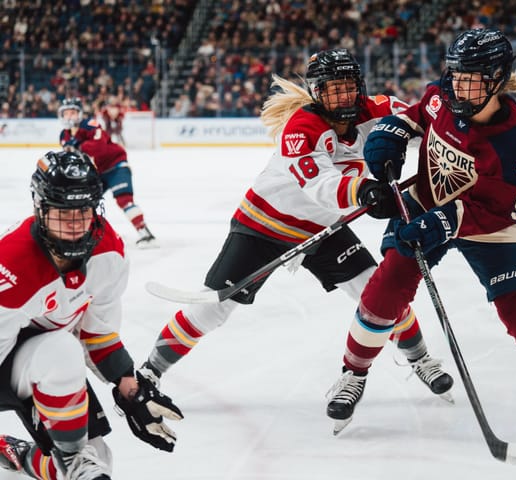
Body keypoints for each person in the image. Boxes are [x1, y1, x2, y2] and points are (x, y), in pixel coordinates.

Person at [140, 49, 453, 430]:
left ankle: (419, 358)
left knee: (378, 294)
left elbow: (428, 121)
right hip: (264, 226)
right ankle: (148, 373)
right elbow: (321, 186)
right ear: (316, 93)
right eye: (331, 90)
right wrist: (365, 191)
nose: (341, 98)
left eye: (348, 88)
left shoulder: (381, 110)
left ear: (360, 87)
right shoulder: (301, 129)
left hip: (323, 231)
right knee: (213, 310)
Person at [326, 28, 516, 434]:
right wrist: (394, 131)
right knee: (387, 285)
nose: (459, 88)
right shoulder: (443, 95)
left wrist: (447, 221)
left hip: (491, 225)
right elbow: (417, 113)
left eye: (471, 79)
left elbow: (505, 208)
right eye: (456, 76)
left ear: (497, 79)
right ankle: (353, 374)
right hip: (428, 201)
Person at [0, 151, 183, 480]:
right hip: (13, 355)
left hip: (41, 356)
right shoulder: (12, 264)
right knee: (61, 351)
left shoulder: (109, 254)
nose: (74, 222)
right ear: (40, 210)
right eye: (61, 211)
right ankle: (71, 457)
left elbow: (95, 332)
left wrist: (129, 386)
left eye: (83, 210)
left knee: (96, 463)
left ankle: (19, 454)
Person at [58, 97, 156, 247]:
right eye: (66, 113)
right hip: (96, 173)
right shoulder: (64, 136)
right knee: (84, 203)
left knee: (124, 199)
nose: (69, 116)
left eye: (73, 112)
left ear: (80, 113)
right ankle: (85, 236)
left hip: (116, 166)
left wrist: (80, 145)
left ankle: (145, 234)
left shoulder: (90, 125)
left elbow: (99, 148)